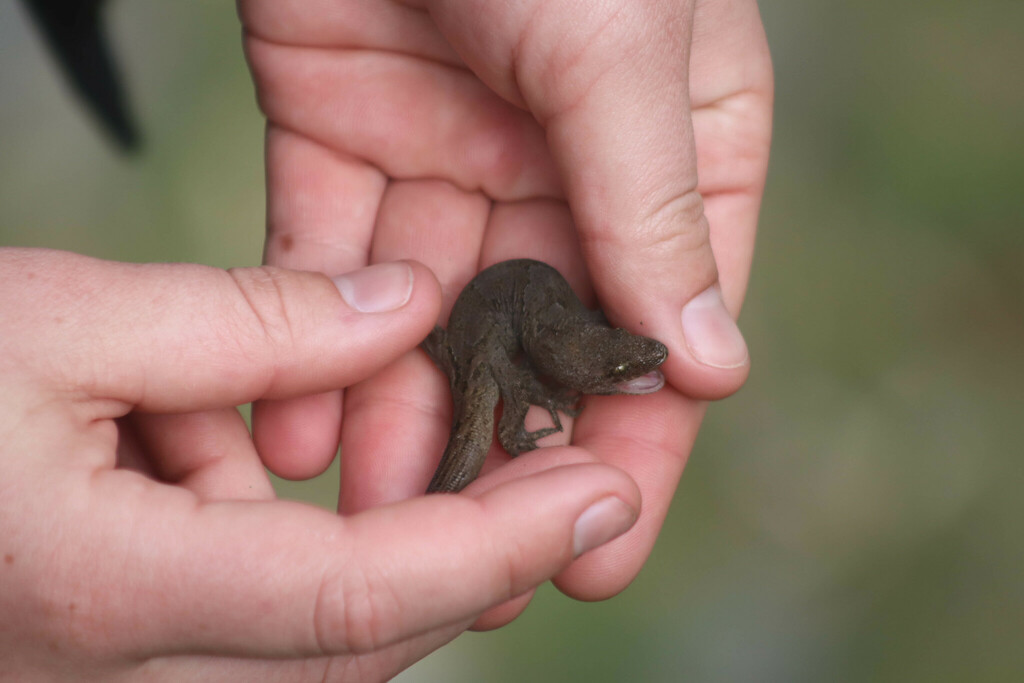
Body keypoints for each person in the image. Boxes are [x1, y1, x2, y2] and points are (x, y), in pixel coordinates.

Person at [1, 0, 772, 679]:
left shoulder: (576, 341)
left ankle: (445, 487)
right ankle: (456, 475)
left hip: (495, 324)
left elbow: (575, 349)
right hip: (490, 329)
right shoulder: (561, 350)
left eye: (622, 363)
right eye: (624, 361)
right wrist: (542, 393)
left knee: (481, 411)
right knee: (478, 420)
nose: (650, 358)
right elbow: (552, 355)